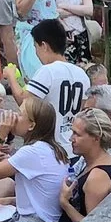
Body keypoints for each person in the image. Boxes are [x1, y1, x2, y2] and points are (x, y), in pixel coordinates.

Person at [0, 93, 69, 222]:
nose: (14, 117)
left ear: (31, 125)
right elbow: (44, 195)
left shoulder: (32, 152)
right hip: (45, 221)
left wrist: (0, 135)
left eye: (20, 114)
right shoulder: (49, 148)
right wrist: (11, 200)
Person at [23, 18, 91, 152]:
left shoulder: (47, 71)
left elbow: (25, 102)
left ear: (44, 45)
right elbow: (84, 108)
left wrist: (12, 77)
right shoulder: (81, 74)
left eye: (35, 47)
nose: (36, 53)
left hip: (51, 146)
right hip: (73, 145)